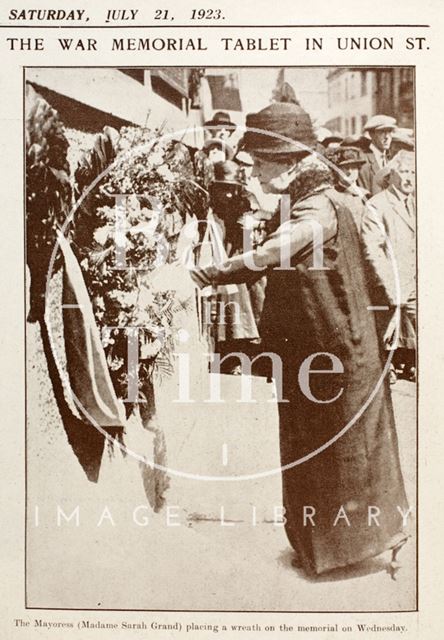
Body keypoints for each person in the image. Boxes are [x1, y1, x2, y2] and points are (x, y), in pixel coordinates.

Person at [191, 102, 409, 577]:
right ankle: (359, 539)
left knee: (332, 448)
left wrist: (204, 271)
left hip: (329, 353)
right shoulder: (328, 196)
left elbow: (270, 254)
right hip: (339, 345)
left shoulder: (314, 210)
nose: (255, 171)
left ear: (289, 162)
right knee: (352, 446)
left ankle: (335, 550)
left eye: (263, 162)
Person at [361, 150, 416, 382]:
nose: (409, 178)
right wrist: (389, 282)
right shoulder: (377, 205)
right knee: (385, 325)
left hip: (415, 278)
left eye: (413, 172)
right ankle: (387, 366)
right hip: (389, 279)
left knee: (419, 321)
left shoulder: (417, 202)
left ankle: (414, 363)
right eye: (404, 172)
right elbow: (372, 249)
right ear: (390, 176)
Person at [332, 146, 370, 233]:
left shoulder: (366, 195)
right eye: (345, 168)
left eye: (353, 167)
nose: (349, 171)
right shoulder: (331, 195)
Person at [359, 115, 397, 196]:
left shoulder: (389, 160)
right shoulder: (363, 161)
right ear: (371, 135)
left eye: (389, 131)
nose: (387, 137)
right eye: (382, 132)